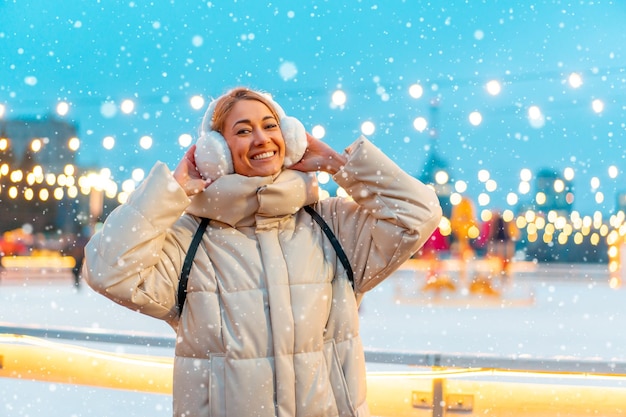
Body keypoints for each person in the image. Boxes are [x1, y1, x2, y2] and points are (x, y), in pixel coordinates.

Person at [83, 87, 442, 417]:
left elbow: (418, 214)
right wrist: (171, 191)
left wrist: (339, 165)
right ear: (215, 151)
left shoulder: (332, 225)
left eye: (270, 126)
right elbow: (107, 269)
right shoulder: (190, 242)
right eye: (242, 130)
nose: (261, 139)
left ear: (290, 138)